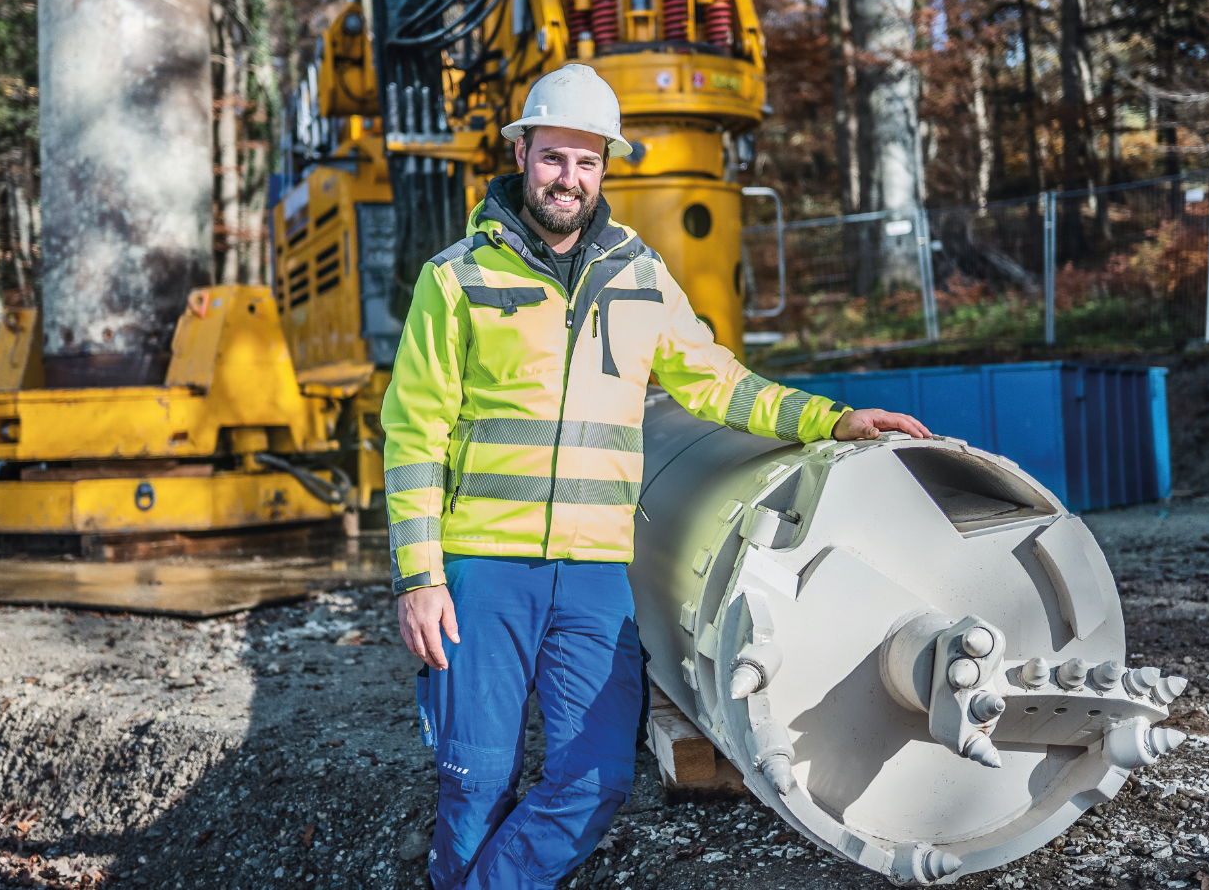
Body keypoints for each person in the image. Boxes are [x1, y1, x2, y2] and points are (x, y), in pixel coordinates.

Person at [381, 62, 931, 890]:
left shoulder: (640, 278)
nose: (570, 178)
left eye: (588, 161)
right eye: (554, 158)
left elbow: (718, 382)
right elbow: (413, 433)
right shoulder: (456, 278)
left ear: (607, 166)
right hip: (483, 570)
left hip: (597, 576)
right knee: (475, 784)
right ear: (522, 153)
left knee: (596, 780)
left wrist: (830, 419)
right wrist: (418, 579)